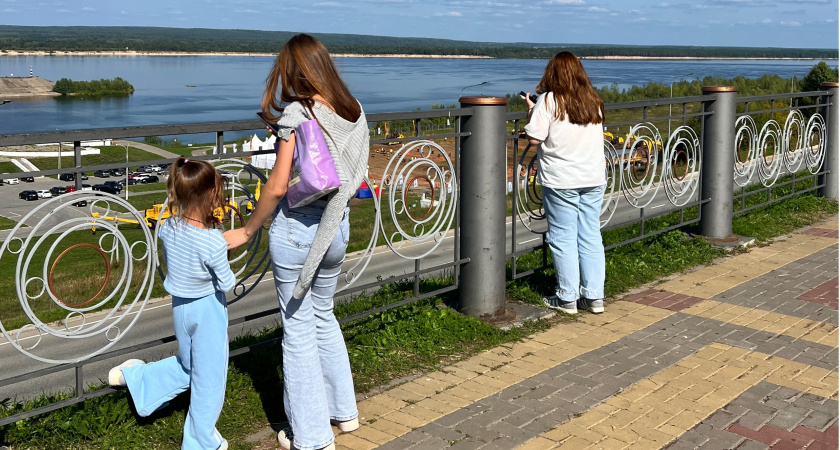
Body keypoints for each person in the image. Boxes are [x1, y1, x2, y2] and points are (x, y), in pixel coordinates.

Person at [224, 34, 366, 450]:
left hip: (299, 232)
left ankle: (311, 437)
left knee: (298, 330)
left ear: (294, 71)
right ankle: (345, 413)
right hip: (336, 228)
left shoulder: (298, 112)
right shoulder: (353, 109)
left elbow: (278, 184)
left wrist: (248, 230)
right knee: (324, 314)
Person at [108, 157, 235, 450]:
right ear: (213, 195)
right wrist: (222, 246)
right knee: (210, 378)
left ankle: (135, 377)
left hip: (180, 307)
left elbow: (187, 249)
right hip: (207, 311)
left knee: (189, 365)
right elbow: (226, 283)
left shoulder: (167, 228)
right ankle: (200, 442)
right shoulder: (213, 242)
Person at [524, 51, 607, 315]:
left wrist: (532, 111)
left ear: (552, 73)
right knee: (590, 236)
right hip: (593, 178)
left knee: (563, 238)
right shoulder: (593, 100)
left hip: (562, 180)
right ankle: (594, 298)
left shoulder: (549, 101)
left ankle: (567, 297)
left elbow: (535, 139)